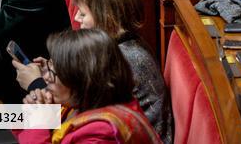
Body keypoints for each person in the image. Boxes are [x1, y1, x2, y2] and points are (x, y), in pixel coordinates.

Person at [15, 0, 174, 144]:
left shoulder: (124, 59)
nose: (76, 18)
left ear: (107, 18)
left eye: (83, 14)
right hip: (52, 122)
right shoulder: (110, 52)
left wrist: (37, 85)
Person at [17, 29, 159, 144]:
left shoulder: (103, 134)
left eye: (54, 72)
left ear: (82, 80)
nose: (46, 77)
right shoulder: (76, 103)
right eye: (49, 65)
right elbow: (13, 123)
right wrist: (33, 112)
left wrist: (38, 123)